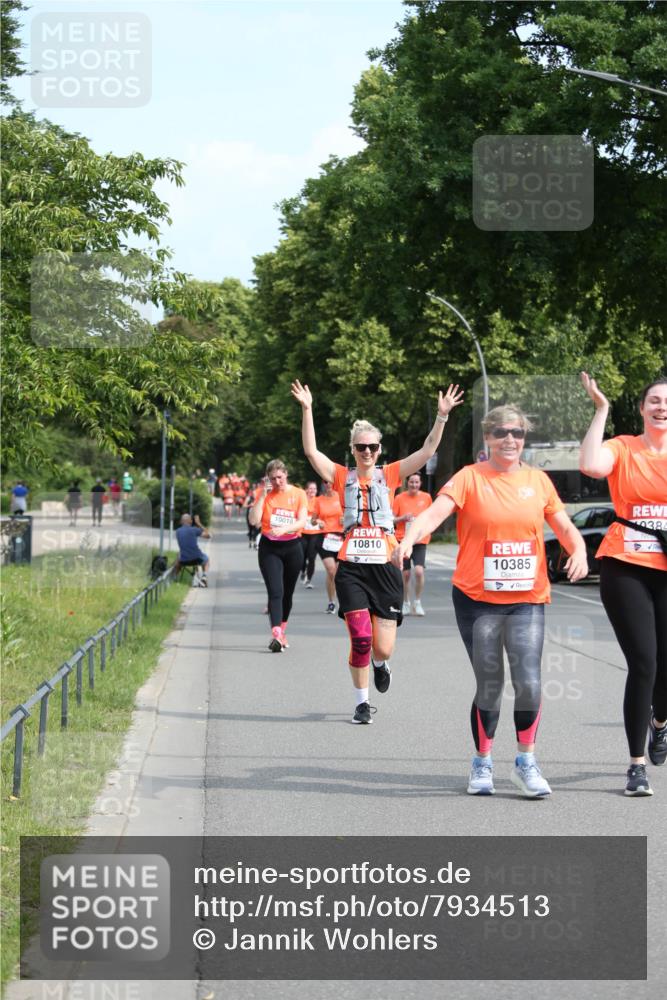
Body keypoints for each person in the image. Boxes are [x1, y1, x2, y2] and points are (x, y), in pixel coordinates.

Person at [395, 403, 588, 796]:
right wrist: (410, 538)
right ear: (487, 438)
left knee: (530, 682)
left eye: (517, 433)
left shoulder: (538, 481)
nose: (510, 439)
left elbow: (564, 525)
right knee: (490, 682)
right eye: (501, 432)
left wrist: (579, 550)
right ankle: (482, 762)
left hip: (527, 598)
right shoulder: (469, 478)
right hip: (477, 598)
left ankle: (525, 763)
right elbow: (434, 514)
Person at [292, 378, 464, 724]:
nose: (366, 452)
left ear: (380, 449)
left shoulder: (392, 474)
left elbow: (428, 451)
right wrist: (308, 409)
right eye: (360, 447)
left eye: (372, 446)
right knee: (360, 637)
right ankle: (361, 703)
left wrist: (442, 417)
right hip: (352, 568)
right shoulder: (341, 476)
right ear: (352, 450)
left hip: (385, 567)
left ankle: (381, 664)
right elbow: (312, 452)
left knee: (381, 647)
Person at [579, 373, 667, 796]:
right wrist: (601, 410)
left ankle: (660, 722)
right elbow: (590, 465)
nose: (661, 407)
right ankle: (635, 767)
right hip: (626, 564)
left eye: (666, 401)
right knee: (644, 664)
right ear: (642, 408)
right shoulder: (623, 447)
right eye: (653, 400)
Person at [248, 460, 308, 652]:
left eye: (280, 477)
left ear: (286, 474)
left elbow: (302, 521)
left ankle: (282, 630)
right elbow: (254, 520)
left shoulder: (298, 493)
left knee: (287, 593)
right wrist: (263, 495)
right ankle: (276, 634)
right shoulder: (265, 494)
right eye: (273, 479)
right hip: (270, 548)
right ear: (268, 478)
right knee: (275, 591)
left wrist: (285, 529)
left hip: (293, 547)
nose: (277, 482)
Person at [393, 472, 433, 616]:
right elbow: (391, 519)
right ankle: (405, 602)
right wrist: (402, 518)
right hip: (403, 540)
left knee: (419, 571)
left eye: (416, 482)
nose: (414, 485)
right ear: (407, 483)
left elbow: (431, 516)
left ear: (420, 483)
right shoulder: (399, 498)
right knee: (406, 574)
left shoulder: (426, 498)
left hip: (419, 540)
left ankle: (417, 601)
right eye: (411, 482)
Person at [313, 480, 344, 614]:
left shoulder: (342, 497)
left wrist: (346, 519)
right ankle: (332, 602)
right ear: (323, 484)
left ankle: (339, 599)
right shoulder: (319, 500)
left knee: (337, 572)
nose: (328, 484)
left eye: (331, 482)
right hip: (324, 537)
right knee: (331, 570)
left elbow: (354, 515)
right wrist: (318, 521)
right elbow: (312, 520)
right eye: (325, 482)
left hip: (340, 538)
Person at [175, 513, 211, 585]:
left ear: (181, 522)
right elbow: (208, 535)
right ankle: (204, 576)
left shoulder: (178, 531)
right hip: (197, 559)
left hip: (184, 561)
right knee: (206, 560)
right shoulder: (194, 530)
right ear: (190, 521)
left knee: (178, 557)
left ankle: (175, 578)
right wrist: (199, 523)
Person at [300, 481, 321, 589]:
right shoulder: (302, 500)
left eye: (314, 489)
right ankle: (302, 571)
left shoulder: (318, 501)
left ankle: (308, 580)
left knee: (312, 557)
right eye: (310, 488)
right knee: (302, 556)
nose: (312, 491)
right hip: (303, 532)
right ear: (306, 489)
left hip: (315, 533)